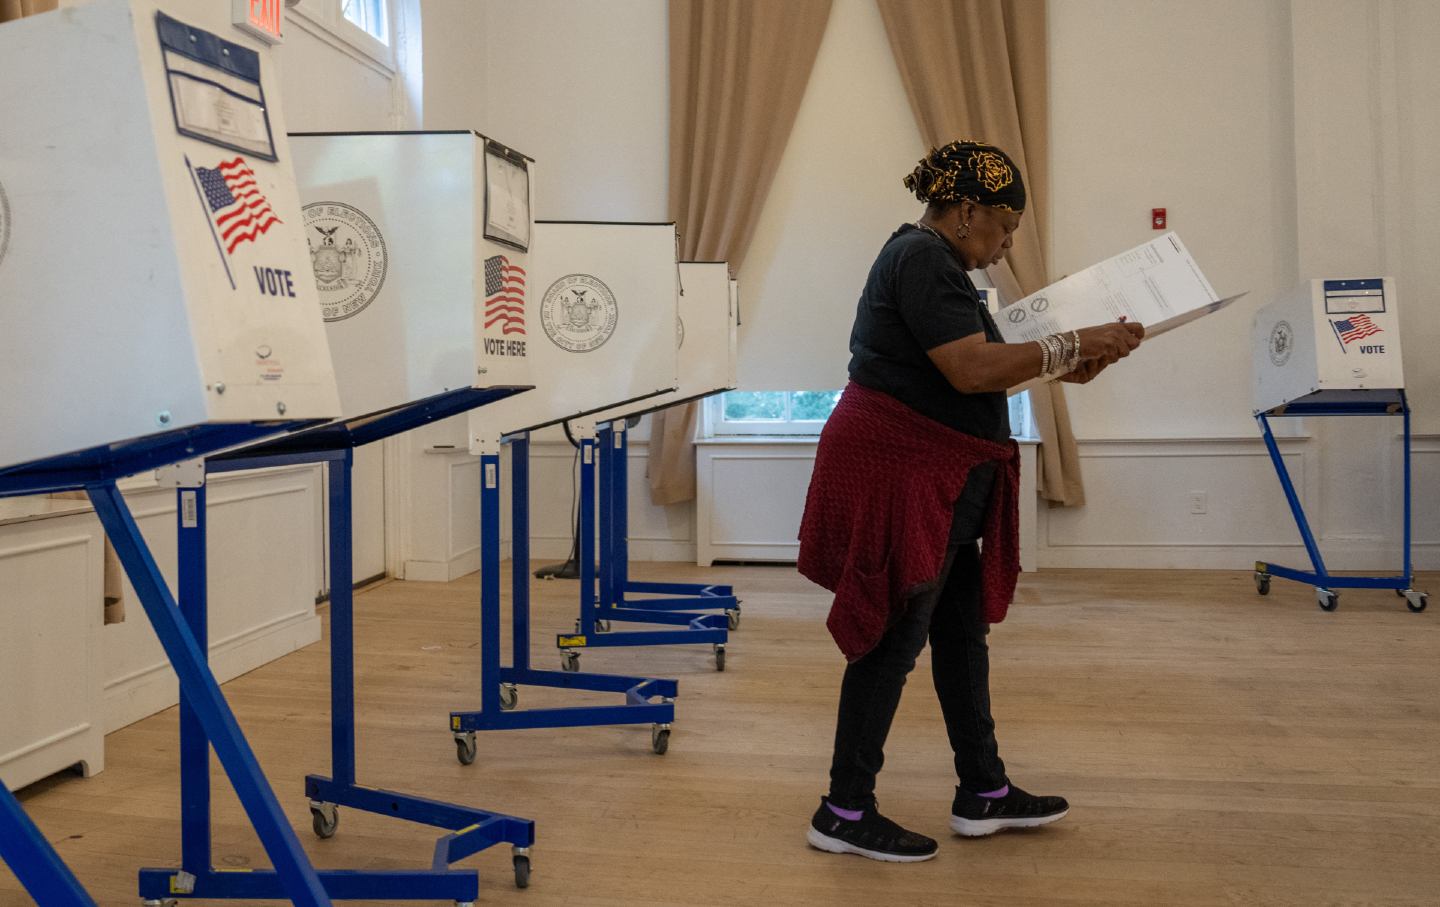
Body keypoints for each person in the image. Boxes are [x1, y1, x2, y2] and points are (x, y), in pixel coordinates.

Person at [797, 140, 1145, 863]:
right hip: (904, 471)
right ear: (964, 210)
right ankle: (842, 808)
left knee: (958, 634)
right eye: (1003, 224)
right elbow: (969, 368)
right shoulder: (922, 258)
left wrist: (1075, 360)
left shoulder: (939, 266)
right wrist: (1069, 342)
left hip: (935, 473)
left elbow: (987, 371)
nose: (1008, 242)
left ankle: (982, 790)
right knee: (893, 637)